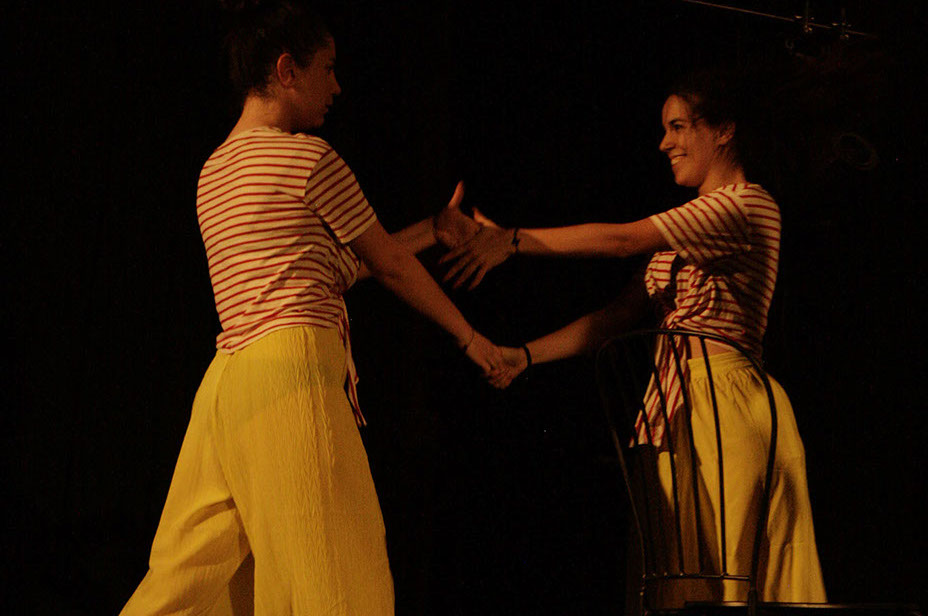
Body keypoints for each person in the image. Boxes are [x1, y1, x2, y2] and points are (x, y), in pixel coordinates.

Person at [120, 2, 500, 614]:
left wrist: (434, 229)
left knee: (188, 576)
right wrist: (470, 337)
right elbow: (388, 264)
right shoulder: (308, 158)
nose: (337, 86)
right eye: (327, 68)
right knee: (335, 574)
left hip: (226, 387)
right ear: (286, 70)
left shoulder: (213, 172)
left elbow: (340, 267)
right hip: (291, 372)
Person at [441, 68, 827, 605]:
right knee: (676, 579)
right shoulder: (681, 233)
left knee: (726, 576)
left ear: (723, 130)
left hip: (726, 403)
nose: (664, 143)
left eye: (679, 127)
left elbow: (623, 239)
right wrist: (523, 356)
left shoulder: (746, 204)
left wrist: (511, 240)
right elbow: (613, 318)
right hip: (673, 405)